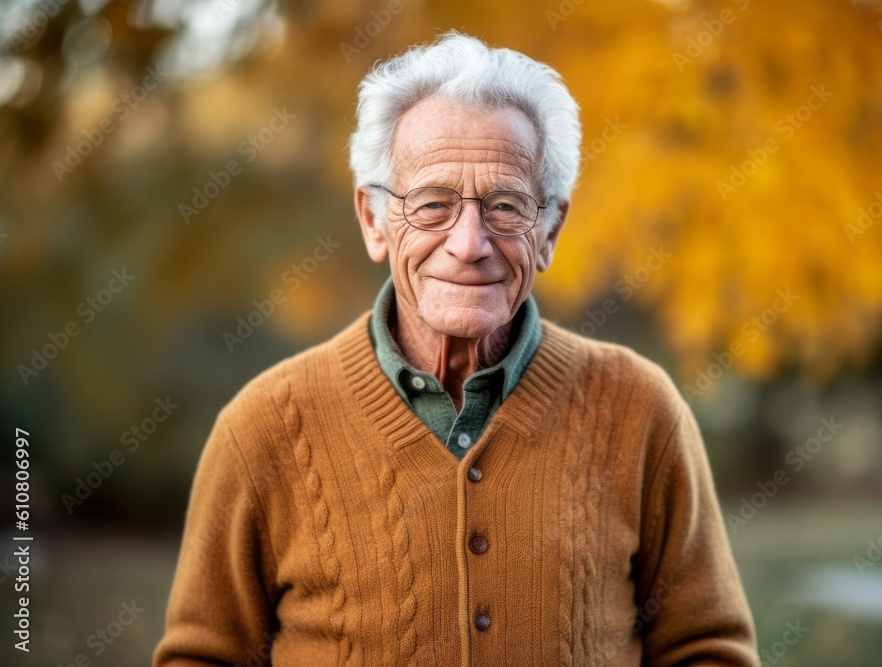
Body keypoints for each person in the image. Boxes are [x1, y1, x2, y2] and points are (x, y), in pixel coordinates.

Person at [154, 31, 757, 666]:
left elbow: (706, 648)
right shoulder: (264, 428)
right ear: (374, 220)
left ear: (550, 230)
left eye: (505, 206)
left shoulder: (640, 409)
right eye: (433, 204)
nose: (469, 242)